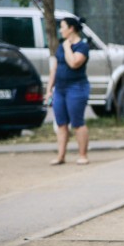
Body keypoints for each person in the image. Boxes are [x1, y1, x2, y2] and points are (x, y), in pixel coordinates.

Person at [46, 17, 90, 165]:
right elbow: (54, 69)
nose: (60, 30)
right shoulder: (61, 46)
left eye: (63, 27)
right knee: (61, 123)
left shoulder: (82, 47)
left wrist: (67, 47)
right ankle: (61, 156)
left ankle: (83, 155)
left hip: (76, 88)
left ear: (71, 28)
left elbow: (74, 63)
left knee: (77, 122)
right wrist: (49, 89)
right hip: (60, 89)